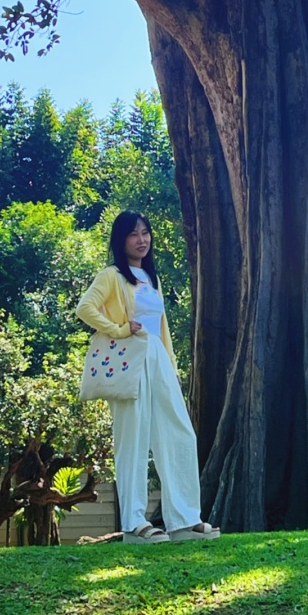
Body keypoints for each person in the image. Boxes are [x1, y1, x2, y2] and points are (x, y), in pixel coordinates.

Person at [76, 210, 220, 544]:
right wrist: (119, 330)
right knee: (133, 440)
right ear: (121, 240)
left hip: (158, 360)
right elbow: (86, 308)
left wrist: (171, 367)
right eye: (133, 234)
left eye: (145, 233)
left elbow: (161, 329)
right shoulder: (112, 275)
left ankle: (184, 520)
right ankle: (134, 524)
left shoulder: (152, 278)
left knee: (179, 433)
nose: (142, 240)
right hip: (130, 360)